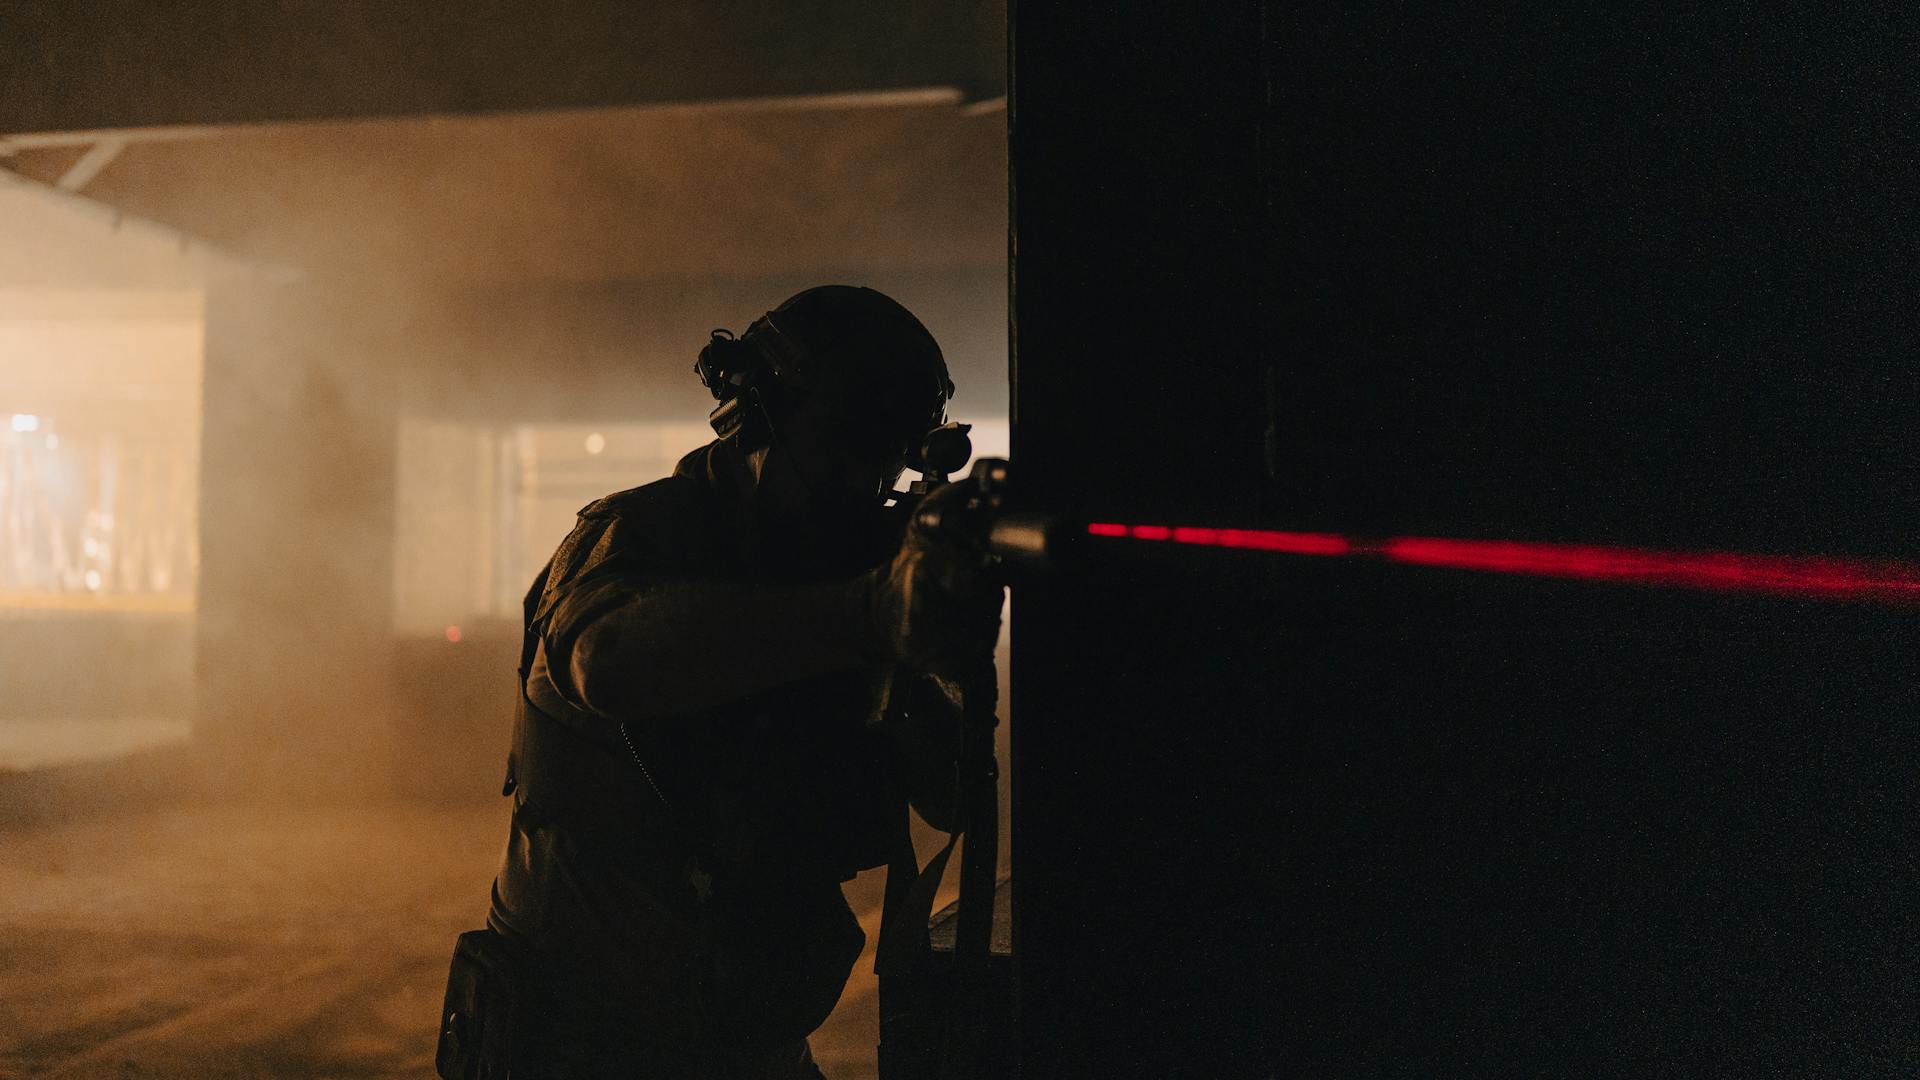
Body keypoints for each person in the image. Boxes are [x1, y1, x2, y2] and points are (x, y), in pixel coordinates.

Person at [473, 285, 1003, 1079]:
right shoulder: (637, 534)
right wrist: (867, 615)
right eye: (843, 445)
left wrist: (942, 653)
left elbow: (951, 796)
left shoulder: (838, 564)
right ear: (754, 418)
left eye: (889, 454)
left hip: (748, 1042)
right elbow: (606, 659)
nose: (863, 480)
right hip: (584, 1043)